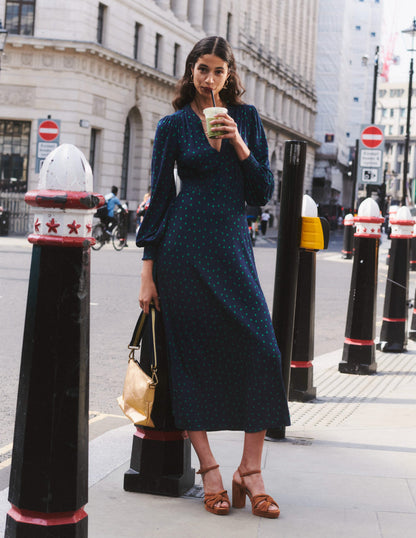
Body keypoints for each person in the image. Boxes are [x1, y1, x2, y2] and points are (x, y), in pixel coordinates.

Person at [136, 36, 290, 519]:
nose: (208, 78)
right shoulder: (173, 125)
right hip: (182, 252)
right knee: (189, 358)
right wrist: (147, 271)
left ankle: (251, 470)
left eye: (218, 71)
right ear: (190, 71)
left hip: (231, 247)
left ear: (229, 74)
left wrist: (240, 144)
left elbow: (262, 191)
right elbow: (160, 198)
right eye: (202, 68)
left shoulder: (247, 120)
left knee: (261, 349)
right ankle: (211, 472)